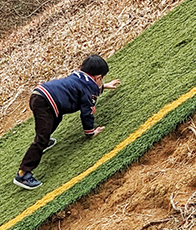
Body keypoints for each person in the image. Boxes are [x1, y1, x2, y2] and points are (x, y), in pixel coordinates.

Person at [13, 54, 121, 190]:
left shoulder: (78, 76)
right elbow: (86, 112)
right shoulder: (89, 88)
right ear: (98, 77)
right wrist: (90, 132)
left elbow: (85, 88)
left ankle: (44, 142)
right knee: (41, 137)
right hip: (45, 102)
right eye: (102, 79)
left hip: (41, 96)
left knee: (56, 118)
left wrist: (103, 87)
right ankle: (23, 173)